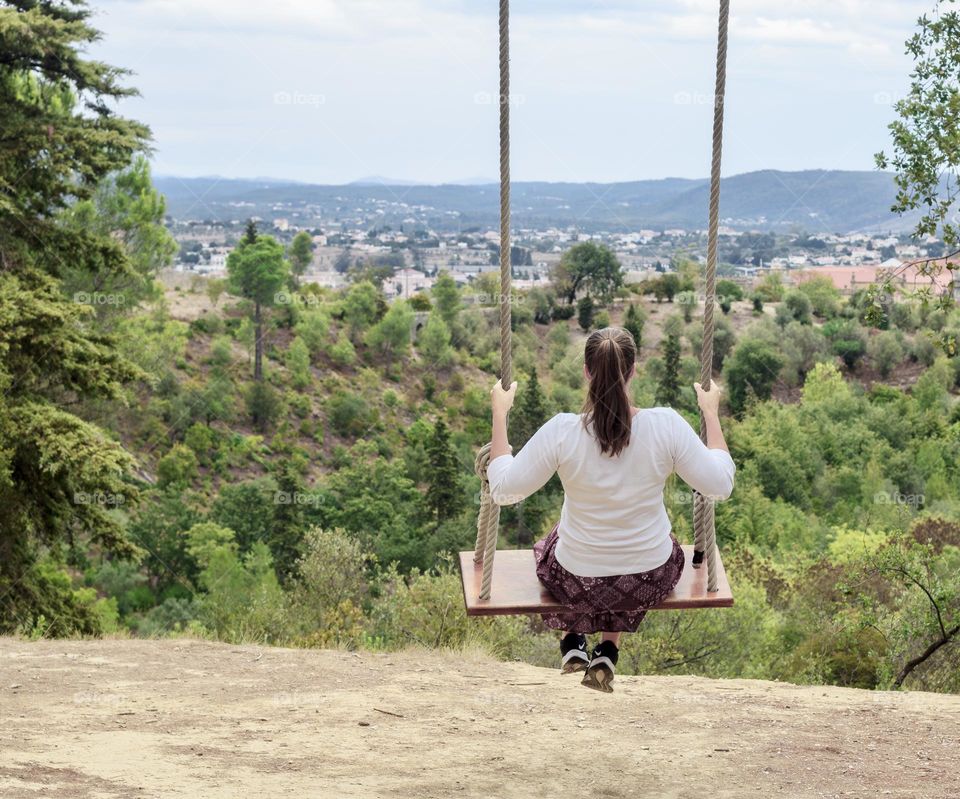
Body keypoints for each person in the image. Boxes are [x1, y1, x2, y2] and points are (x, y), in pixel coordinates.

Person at [487, 327, 734, 693]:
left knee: (560, 547)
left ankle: (575, 640)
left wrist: (500, 413)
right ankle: (607, 648)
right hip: (647, 576)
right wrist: (711, 414)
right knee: (631, 561)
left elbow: (503, 491)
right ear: (633, 371)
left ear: (586, 372)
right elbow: (721, 485)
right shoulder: (665, 425)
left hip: (577, 578)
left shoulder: (562, 432)